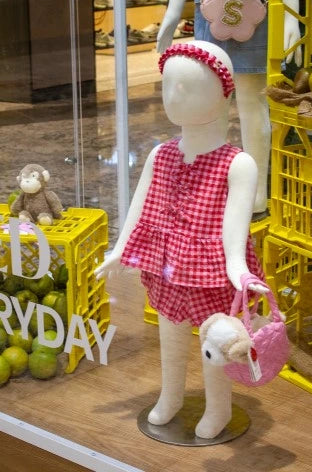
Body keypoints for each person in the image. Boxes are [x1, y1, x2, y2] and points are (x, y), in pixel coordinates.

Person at [96, 40, 266, 439]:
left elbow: (235, 226)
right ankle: (170, 396)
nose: (173, 97)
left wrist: (238, 267)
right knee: (169, 334)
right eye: (167, 86)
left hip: (211, 272)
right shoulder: (161, 154)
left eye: (186, 88)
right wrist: (120, 249)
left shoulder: (238, 163)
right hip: (166, 265)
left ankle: (218, 408)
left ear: (222, 94)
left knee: (215, 340)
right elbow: (139, 205)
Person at [157, 0, 301, 215]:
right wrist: (173, 13)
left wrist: (291, 17)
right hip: (212, 9)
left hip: (256, 8)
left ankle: (255, 195)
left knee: (252, 103)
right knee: (211, 101)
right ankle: (212, 188)